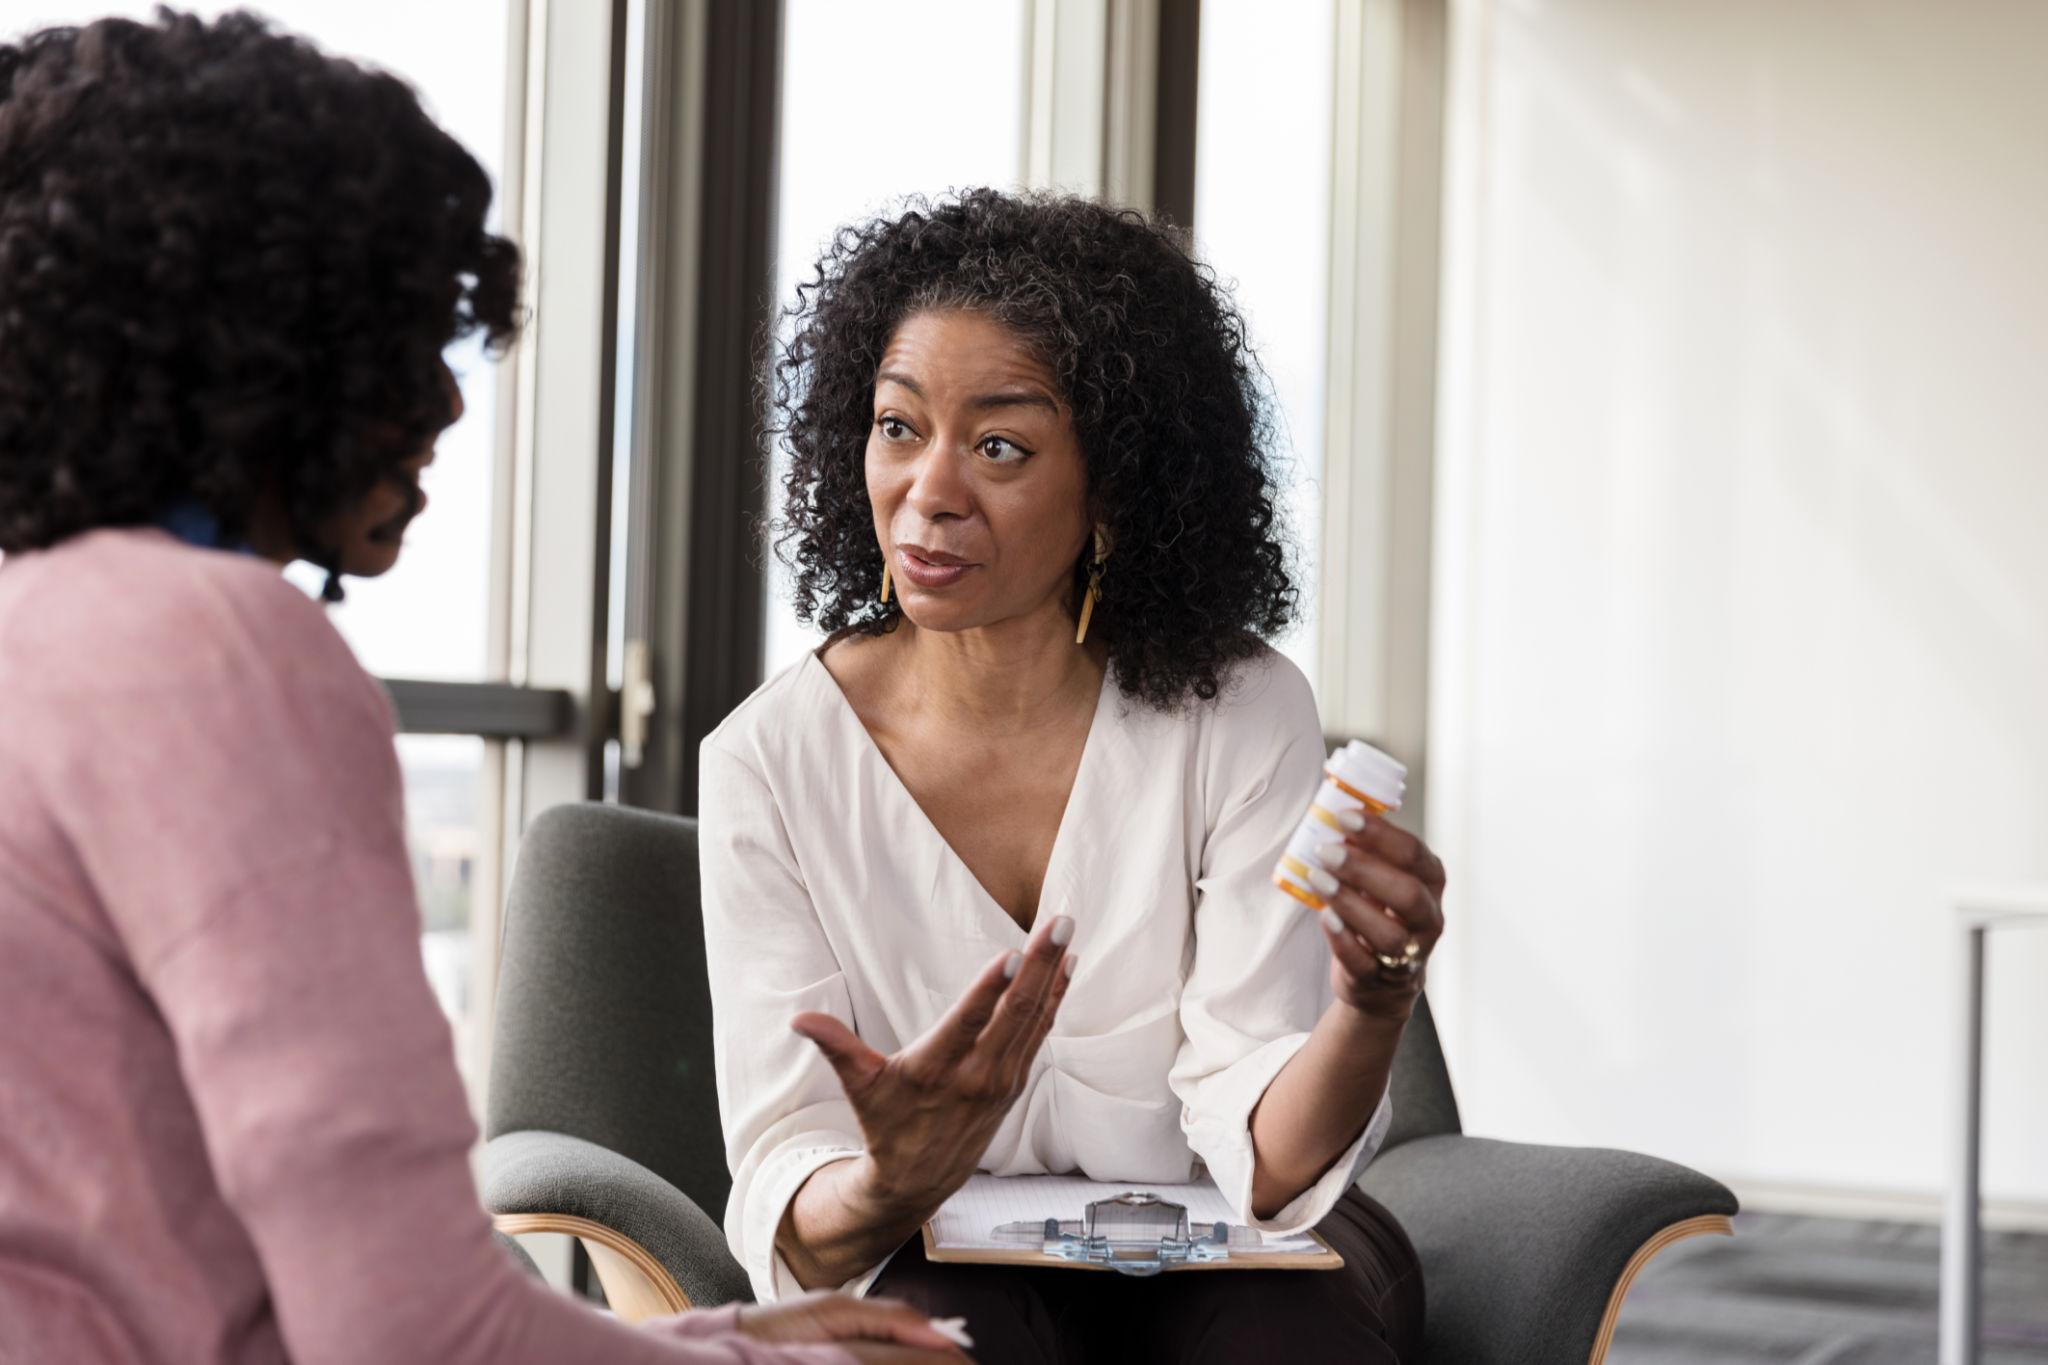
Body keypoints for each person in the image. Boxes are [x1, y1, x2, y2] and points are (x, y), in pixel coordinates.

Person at [0, 12, 962, 1364]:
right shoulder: (209, 652)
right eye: (396, 341)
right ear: (261, 353)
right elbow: (413, 1336)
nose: (447, 406)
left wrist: (712, 1343)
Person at [701, 189, 1445, 1363]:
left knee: (1273, 1334)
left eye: (998, 446)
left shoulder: (1239, 711)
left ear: (1113, 484)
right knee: (939, 1335)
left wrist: (1369, 1010)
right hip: (932, 1243)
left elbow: (1268, 1157)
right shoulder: (770, 759)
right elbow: (792, 1181)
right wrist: (891, 1176)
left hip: (1235, 1251)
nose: (928, 491)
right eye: (897, 427)